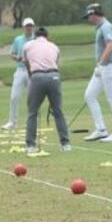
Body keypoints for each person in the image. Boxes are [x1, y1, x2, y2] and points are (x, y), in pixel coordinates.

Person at [22, 27, 71, 155]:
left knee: (32, 112)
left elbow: (27, 64)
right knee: (58, 111)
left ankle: (30, 145)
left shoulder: (27, 45)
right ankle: (65, 144)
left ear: (35, 36)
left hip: (37, 76)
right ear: (47, 36)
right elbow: (56, 63)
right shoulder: (54, 46)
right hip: (54, 76)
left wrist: (32, 77)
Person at [82, 3, 112, 142]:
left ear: (94, 14)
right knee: (89, 95)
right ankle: (101, 129)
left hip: (109, 67)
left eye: (89, 16)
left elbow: (111, 44)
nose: (89, 19)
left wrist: (101, 63)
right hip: (104, 68)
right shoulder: (103, 27)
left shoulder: (106, 26)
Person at [2, 17, 35, 131]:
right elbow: (12, 54)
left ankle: (32, 122)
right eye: (27, 26)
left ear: (33, 27)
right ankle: (12, 122)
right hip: (20, 70)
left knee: (32, 97)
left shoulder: (36, 39)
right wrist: (18, 58)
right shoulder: (18, 40)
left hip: (32, 70)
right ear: (23, 27)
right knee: (14, 97)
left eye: (30, 26)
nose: (29, 28)